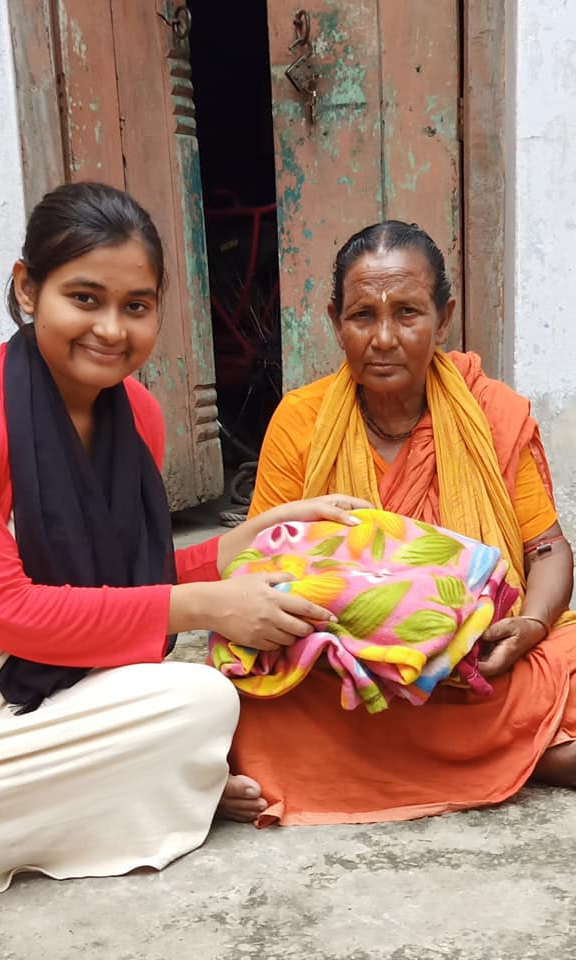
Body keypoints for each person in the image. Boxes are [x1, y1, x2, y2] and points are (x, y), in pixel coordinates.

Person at [0, 181, 366, 931]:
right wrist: (203, 604)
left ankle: (73, 771)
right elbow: (6, 608)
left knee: (199, 701)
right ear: (28, 288)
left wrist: (229, 552)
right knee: (162, 703)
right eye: (84, 299)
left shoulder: (141, 416)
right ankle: (120, 776)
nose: (111, 330)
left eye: (136, 306)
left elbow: (112, 580)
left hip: (30, 686)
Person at [227, 220, 576, 827]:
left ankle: (468, 752)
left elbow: (546, 550)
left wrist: (530, 624)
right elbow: (261, 565)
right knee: (245, 699)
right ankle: (534, 752)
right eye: (363, 316)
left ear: (444, 319)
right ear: (336, 320)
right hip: (349, 670)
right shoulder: (301, 420)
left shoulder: (492, 410)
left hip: (483, 656)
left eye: (408, 313)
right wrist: (358, 636)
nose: (384, 338)